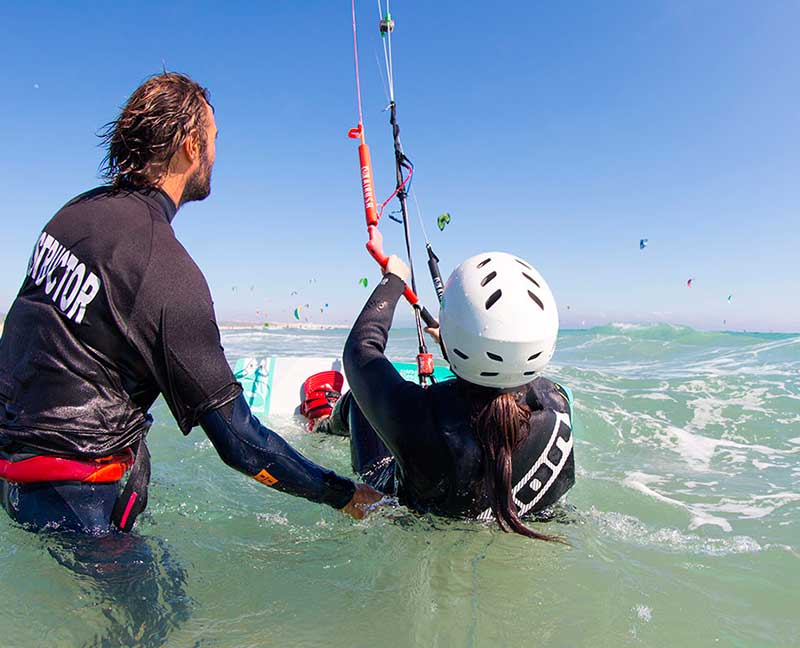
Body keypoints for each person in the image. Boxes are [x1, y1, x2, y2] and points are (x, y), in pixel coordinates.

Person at [0, 72, 381, 534]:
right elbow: (241, 443)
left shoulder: (74, 213)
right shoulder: (165, 271)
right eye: (214, 139)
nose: (216, 155)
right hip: (80, 506)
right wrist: (343, 494)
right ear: (190, 145)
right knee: (168, 607)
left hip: (12, 472)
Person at [311, 252, 575, 541]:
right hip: (523, 518)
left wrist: (395, 277)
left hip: (406, 513)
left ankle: (321, 421)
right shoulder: (557, 402)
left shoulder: (417, 414)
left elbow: (360, 351)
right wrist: (455, 344)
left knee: (358, 404)